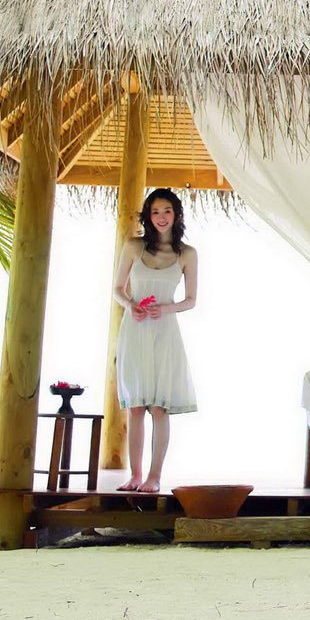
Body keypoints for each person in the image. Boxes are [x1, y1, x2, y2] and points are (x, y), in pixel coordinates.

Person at [112, 187, 199, 492]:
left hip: (165, 332)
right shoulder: (133, 247)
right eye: (155, 212)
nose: (161, 218)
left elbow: (190, 300)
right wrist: (130, 305)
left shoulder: (187, 253)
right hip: (135, 330)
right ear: (148, 216)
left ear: (176, 215)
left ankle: (154, 477)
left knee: (159, 407)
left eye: (167, 211)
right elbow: (117, 289)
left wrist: (164, 308)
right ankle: (135, 476)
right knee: (135, 406)